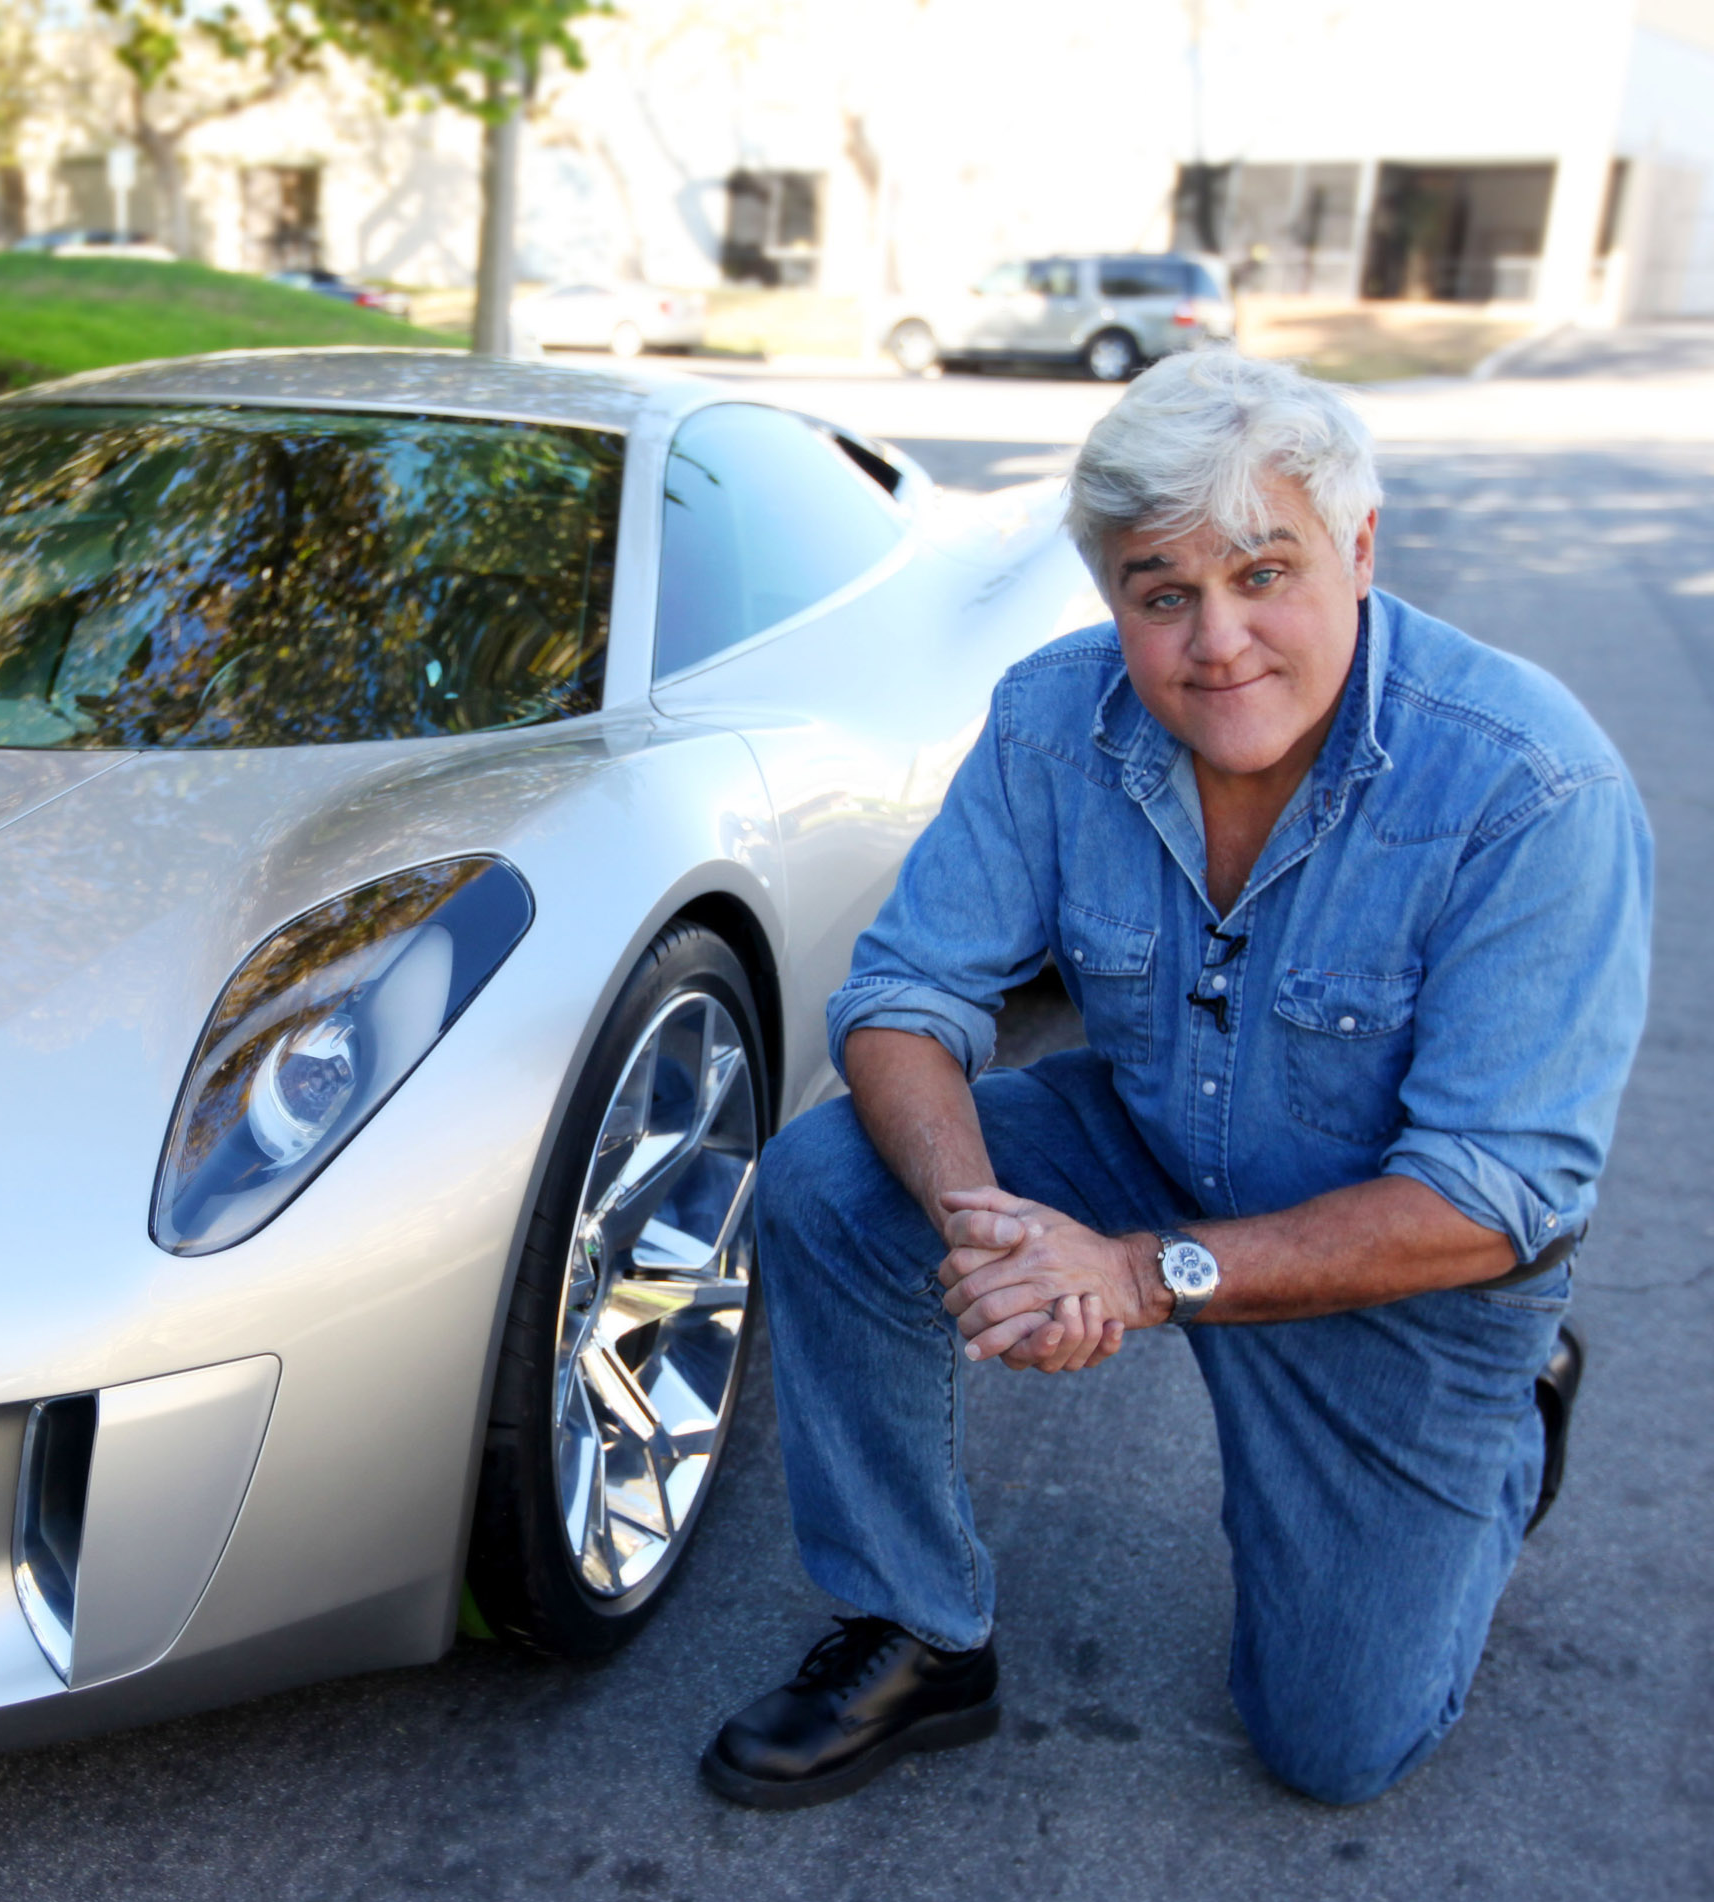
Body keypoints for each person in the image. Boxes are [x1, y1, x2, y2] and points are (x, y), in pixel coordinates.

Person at [701, 348, 1650, 1812]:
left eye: (1265, 572)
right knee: (834, 1176)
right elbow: (903, 995)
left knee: (1335, 1743)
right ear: (1114, 600)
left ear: (1361, 549)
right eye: (1163, 593)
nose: (1217, 642)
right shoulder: (1052, 717)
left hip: (1399, 1260)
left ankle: (1514, 1412)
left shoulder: (1533, 788)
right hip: (1147, 1136)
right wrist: (984, 1223)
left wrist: (1142, 1276)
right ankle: (916, 1624)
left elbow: (1495, 1193)